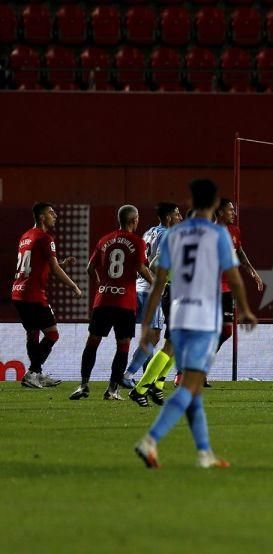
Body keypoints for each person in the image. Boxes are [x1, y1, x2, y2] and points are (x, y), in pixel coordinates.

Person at [134, 179, 257, 469]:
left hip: (178, 313)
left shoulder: (174, 235)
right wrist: (246, 310)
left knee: (193, 387)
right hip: (204, 316)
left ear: (190, 201)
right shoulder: (218, 234)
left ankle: (204, 453)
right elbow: (234, 276)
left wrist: (145, 327)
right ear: (215, 204)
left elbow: (160, 280)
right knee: (189, 386)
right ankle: (150, 440)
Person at [70, 205, 154, 401]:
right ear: (134, 220)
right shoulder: (138, 242)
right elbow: (141, 268)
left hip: (103, 300)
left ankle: (83, 385)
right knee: (123, 345)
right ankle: (112, 389)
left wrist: (102, 285)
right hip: (125, 302)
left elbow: (90, 268)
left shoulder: (104, 240)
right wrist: (157, 285)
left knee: (93, 341)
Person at [13, 202, 82, 389]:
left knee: (33, 333)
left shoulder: (26, 236)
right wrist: (74, 286)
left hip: (19, 292)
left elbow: (39, 266)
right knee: (52, 334)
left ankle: (37, 374)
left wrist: (62, 264)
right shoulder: (45, 237)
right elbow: (53, 268)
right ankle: (33, 372)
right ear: (42, 217)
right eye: (51, 213)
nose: (55, 215)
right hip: (34, 295)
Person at [123, 202, 183, 408]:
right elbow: (155, 262)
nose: (180, 218)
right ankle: (137, 381)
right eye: (177, 214)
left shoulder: (149, 232)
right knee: (162, 339)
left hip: (143, 287)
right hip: (157, 290)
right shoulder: (169, 236)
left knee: (173, 340)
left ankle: (154, 384)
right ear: (169, 217)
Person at [207, 198, 263, 387]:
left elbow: (240, 253)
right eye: (230, 210)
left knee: (227, 330)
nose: (234, 213)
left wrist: (253, 273)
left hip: (227, 287)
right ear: (220, 212)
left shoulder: (234, 231)